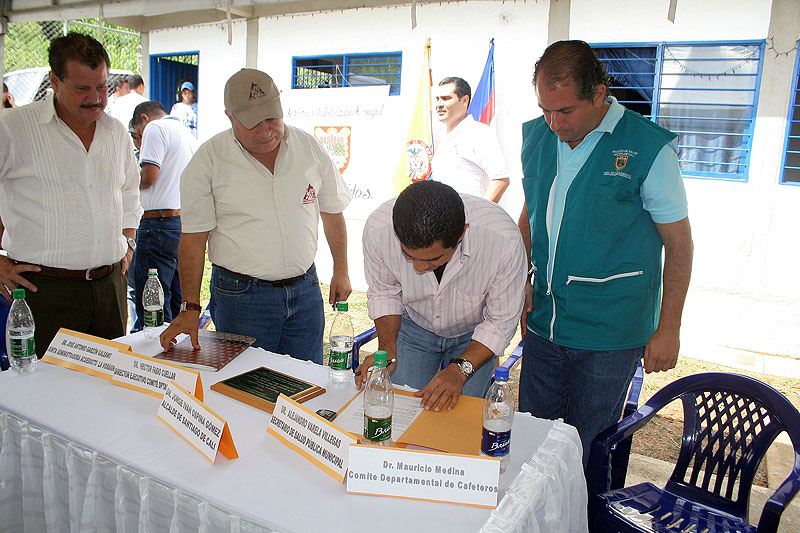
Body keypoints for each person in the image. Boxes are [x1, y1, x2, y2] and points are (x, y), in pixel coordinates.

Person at [518, 40, 694, 465]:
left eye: (566, 110)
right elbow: (530, 215)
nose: (554, 122)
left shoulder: (647, 148)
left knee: (586, 451)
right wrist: (520, 280)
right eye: (545, 109)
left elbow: (679, 245)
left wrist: (668, 328)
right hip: (545, 326)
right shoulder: (538, 136)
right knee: (531, 444)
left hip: (610, 335)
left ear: (599, 94)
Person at [160, 68, 351, 364]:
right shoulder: (208, 161)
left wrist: (341, 269)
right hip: (242, 298)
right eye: (252, 123)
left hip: (305, 291)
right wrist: (191, 307)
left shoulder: (309, 148)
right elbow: (194, 239)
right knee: (245, 381)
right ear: (230, 117)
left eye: (272, 119)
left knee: (306, 378)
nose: (266, 131)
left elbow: (332, 210)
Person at [0, 32, 143, 355]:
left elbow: (129, 191)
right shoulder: (13, 129)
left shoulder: (116, 132)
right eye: (82, 88)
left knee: (110, 379)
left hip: (109, 286)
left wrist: (129, 241)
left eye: (101, 87)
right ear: (55, 81)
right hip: (44, 290)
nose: (96, 98)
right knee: (45, 384)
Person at [357, 180, 526, 411]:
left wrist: (460, 370)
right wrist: (387, 347)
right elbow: (385, 293)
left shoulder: (503, 240)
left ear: (462, 234)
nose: (418, 267)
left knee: (460, 414)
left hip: (475, 334)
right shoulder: (379, 229)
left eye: (433, 259)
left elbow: (499, 322)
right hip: (413, 327)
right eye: (408, 255)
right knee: (400, 407)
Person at [130, 100, 197, 332]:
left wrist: (124, 182)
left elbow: (149, 177)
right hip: (179, 223)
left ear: (144, 119)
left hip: (156, 224)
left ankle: (155, 349)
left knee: (153, 304)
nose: (139, 139)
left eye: (137, 133)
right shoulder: (186, 134)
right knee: (175, 300)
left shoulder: (155, 128)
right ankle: (173, 347)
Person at [432, 77, 509, 203]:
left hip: (470, 214)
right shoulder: (439, 137)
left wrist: (478, 213)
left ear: (464, 100)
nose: (439, 105)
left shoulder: (479, 133)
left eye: (446, 98)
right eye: (437, 99)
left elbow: (500, 180)